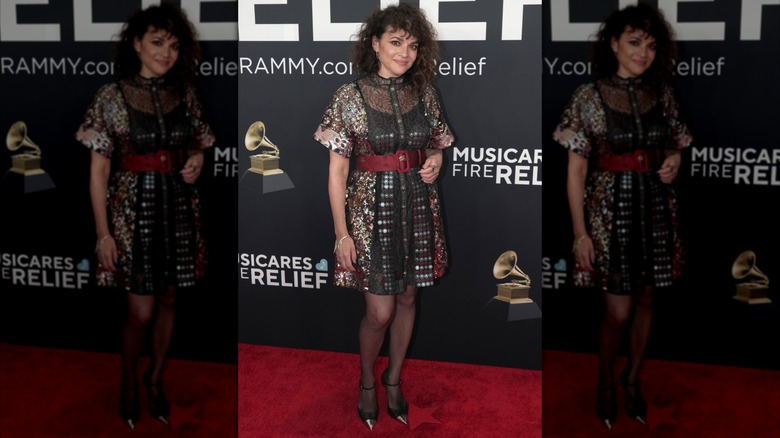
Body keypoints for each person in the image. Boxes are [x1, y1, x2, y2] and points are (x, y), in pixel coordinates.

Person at [313, 3, 453, 431]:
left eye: (412, 45)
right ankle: (366, 382)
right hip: (370, 211)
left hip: (417, 206)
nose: (405, 53)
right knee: (379, 312)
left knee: (409, 297)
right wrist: (342, 234)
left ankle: (393, 379)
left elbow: (438, 143)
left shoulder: (424, 91)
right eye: (395, 42)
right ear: (374, 43)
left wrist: (435, 159)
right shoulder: (348, 96)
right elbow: (337, 172)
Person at [552, 2, 691, 431]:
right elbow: (576, 172)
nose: (643, 53)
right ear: (613, 43)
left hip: (655, 210)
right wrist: (580, 234)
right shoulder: (588, 97)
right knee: (616, 312)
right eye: (634, 42)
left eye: (651, 45)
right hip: (609, 214)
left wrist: (673, 160)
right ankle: (605, 380)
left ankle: (632, 379)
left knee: (647, 297)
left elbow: (676, 143)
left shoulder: (662, 91)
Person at [75, 3, 214, 430]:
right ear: (136, 43)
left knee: (170, 297)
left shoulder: (185, 91)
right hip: (132, 214)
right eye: (157, 42)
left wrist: (195, 160)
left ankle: (155, 380)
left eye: (173, 45)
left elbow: (199, 144)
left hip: (177, 210)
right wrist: (103, 234)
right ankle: (128, 380)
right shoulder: (111, 96)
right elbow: (99, 172)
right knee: (140, 312)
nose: (166, 53)